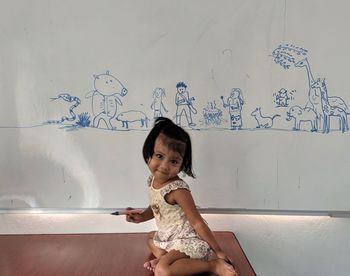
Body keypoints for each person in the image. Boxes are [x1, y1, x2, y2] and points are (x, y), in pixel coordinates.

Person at [123, 117, 237, 276]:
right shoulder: (153, 180)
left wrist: (218, 251)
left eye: (174, 161)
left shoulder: (178, 189)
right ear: (148, 153)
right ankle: (166, 259)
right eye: (159, 156)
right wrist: (141, 216)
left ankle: (211, 266)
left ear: (182, 165)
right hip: (170, 236)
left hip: (187, 239)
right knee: (149, 239)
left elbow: (197, 222)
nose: (164, 166)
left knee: (163, 271)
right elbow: (157, 207)